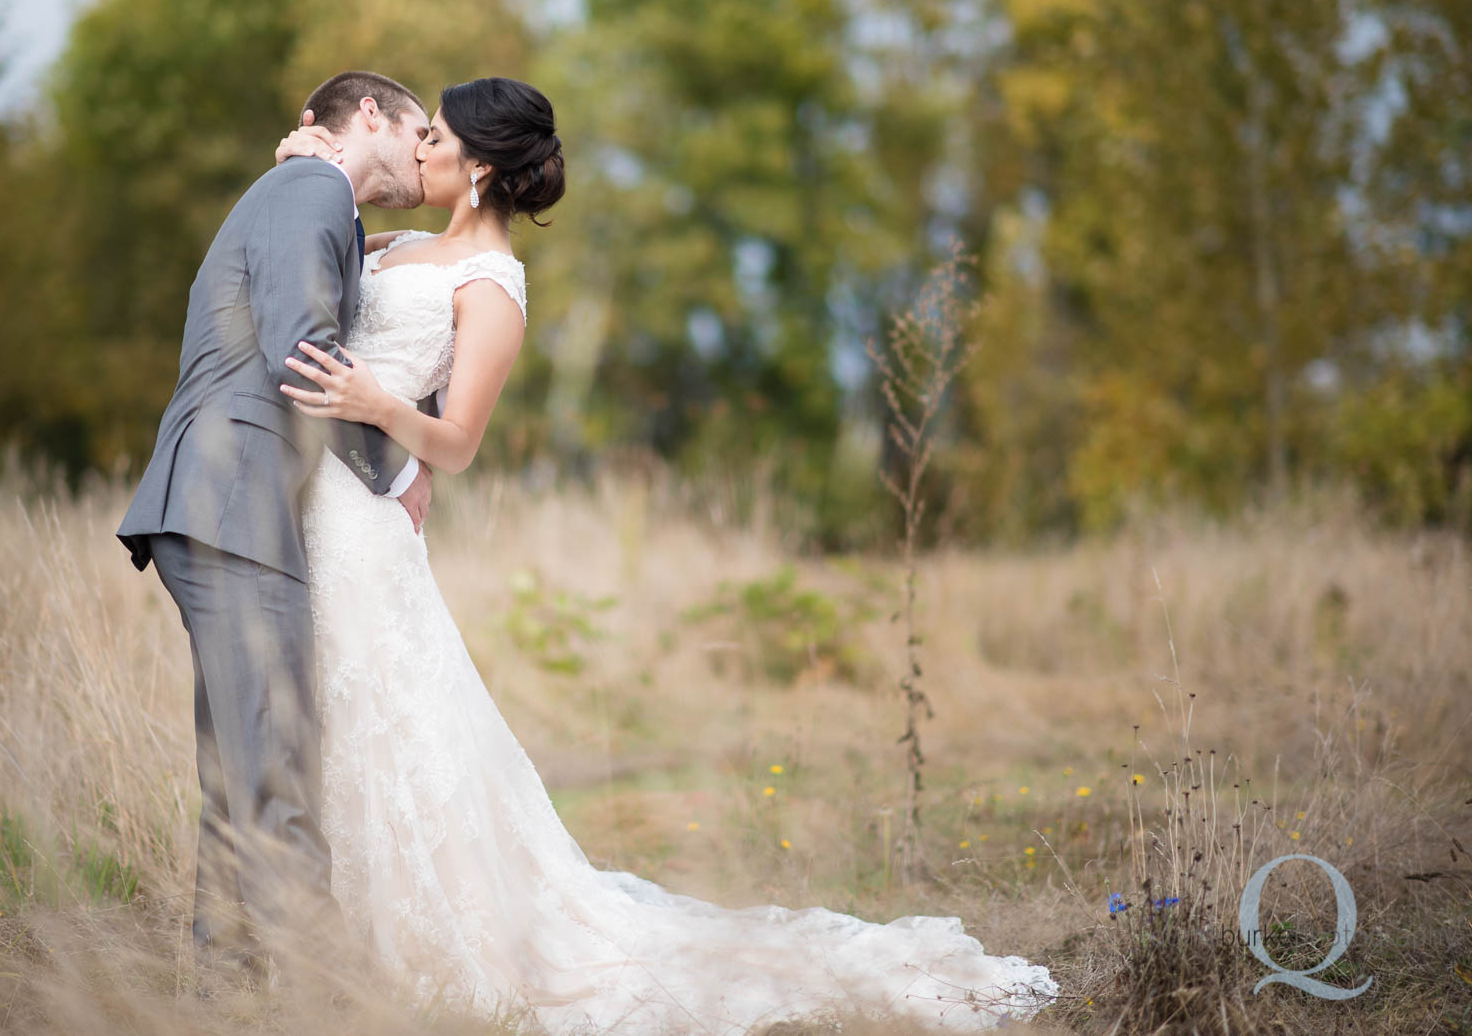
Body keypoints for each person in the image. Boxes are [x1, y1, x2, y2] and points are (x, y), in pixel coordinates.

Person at [267, 74, 1061, 1032]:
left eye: (433, 137)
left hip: (368, 532)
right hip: (330, 507)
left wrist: (385, 411)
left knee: (385, 722)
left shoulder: (493, 288)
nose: (419, 149)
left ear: (477, 168)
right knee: (350, 721)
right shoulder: (394, 247)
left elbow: (463, 440)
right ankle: (328, 939)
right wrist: (304, 163)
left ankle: (422, 954)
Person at [115, 70, 437, 965]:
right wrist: (401, 466)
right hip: (235, 497)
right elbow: (307, 351)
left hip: (220, 503)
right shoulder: (310, 187)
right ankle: (330, 997)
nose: (426, 152)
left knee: (240, 769)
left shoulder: (314, 191)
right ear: (369, 114)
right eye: (419, 132)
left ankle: (224, 985)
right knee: (279, 767)